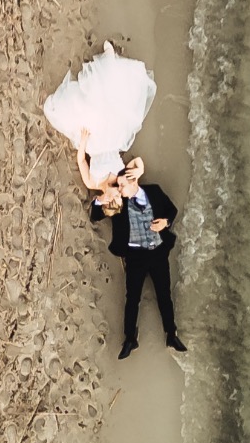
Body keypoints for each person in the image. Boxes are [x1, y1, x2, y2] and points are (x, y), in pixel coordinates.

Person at [89, 162, 184, 359]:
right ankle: (130, 338)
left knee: (164, 295)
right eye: (119, 185)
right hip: (134, 257)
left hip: (157, 252)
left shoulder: (154, 192)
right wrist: (101, 199)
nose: (120, 189)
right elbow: (95, 215)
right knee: (132, 298)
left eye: (123, 185)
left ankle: (171, 334)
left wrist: (165, 222)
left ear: (134, 182)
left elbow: (171, 210)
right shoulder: (118, 202)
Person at [43, 43, 155, 186]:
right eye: (117, 199)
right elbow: (137, 162)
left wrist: (83, 142)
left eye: (111, 202)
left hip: (92, 143)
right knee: (112, 99)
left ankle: (104, 66)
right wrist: (140, 169)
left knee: (85, 109)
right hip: (115, 137)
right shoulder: (121, 181)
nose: (115, 197)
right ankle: (108, 59)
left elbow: (82, 160)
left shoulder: (92, 184)